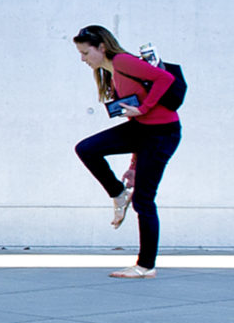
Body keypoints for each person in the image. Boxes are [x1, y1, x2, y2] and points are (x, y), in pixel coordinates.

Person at [71, 24, 181, 278]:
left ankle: (145, 266)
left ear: (101, 47)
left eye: (86, 53)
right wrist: (133, 167)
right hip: (142, 131)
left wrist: (144, 109)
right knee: (87, 149)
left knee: (144, 200)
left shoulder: (122, 62)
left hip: (162, 134)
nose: (83, 59)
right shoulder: (112, 74)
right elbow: (134, 118)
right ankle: (119, 194)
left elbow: (165, 78)